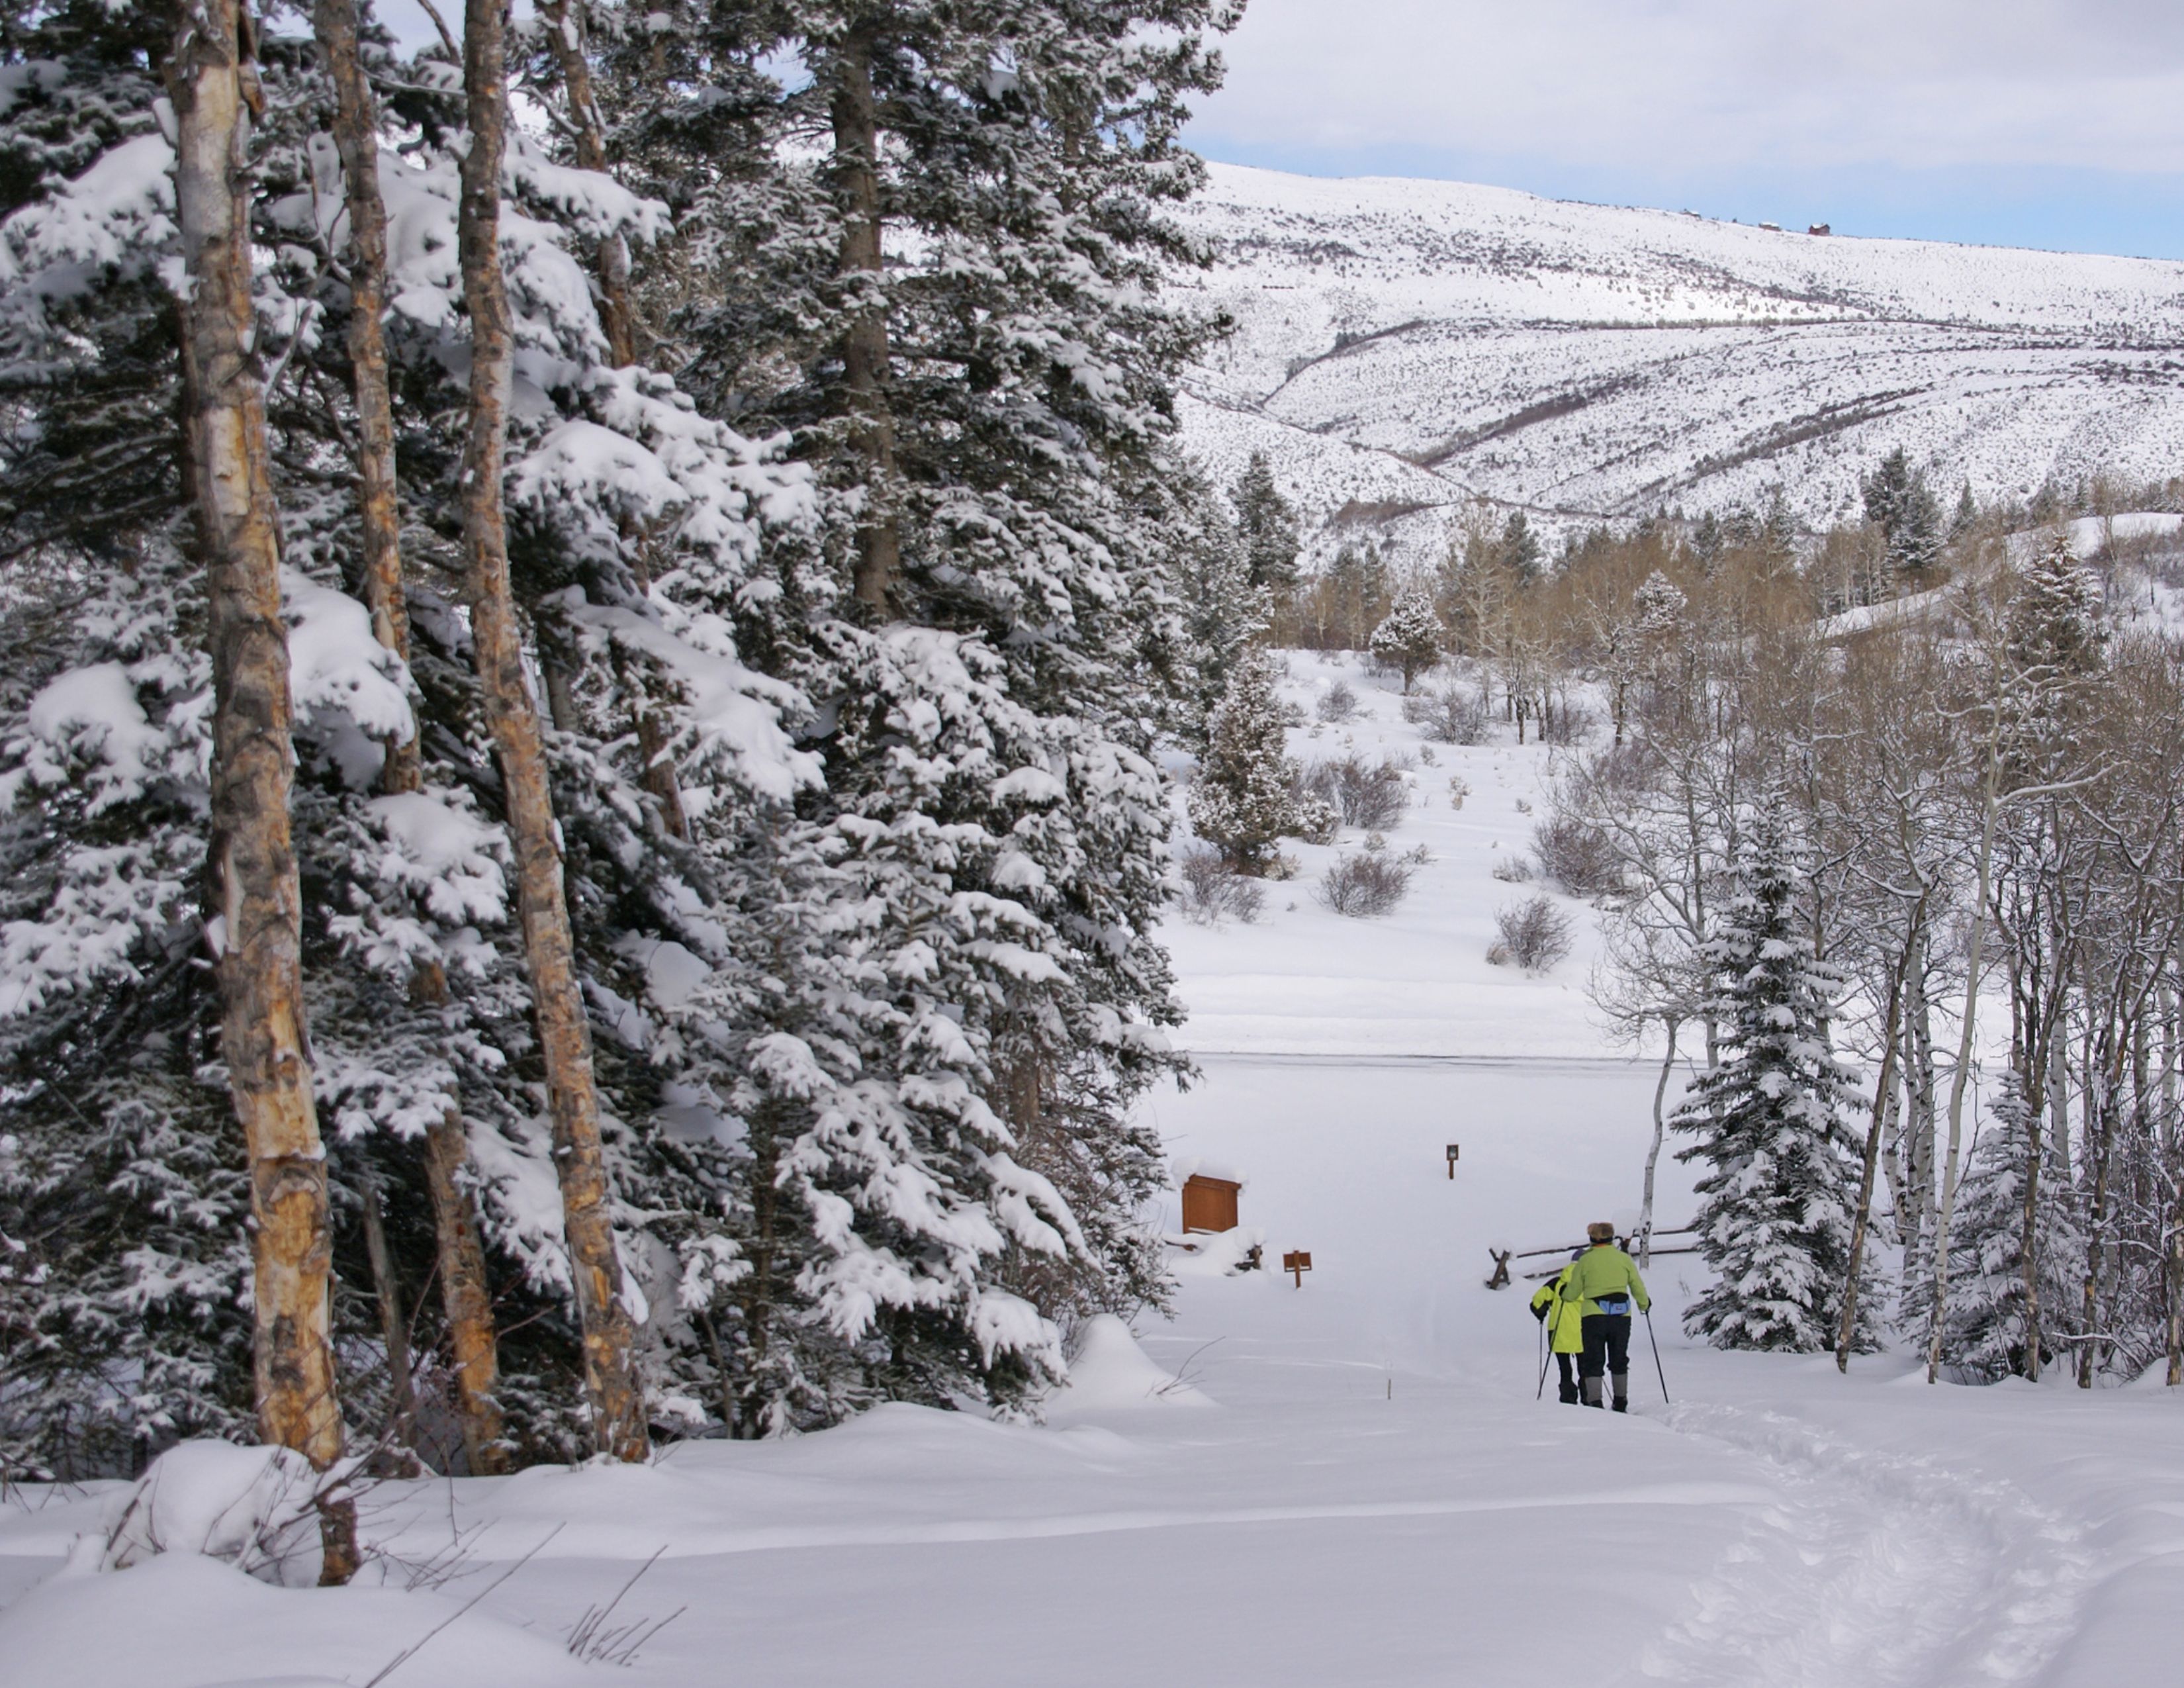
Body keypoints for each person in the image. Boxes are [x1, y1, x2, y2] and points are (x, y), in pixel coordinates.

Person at [1563, 1221, 1650, 1412]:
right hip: (1622, 1316)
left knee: (1593, 1360)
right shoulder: (1624, 1259)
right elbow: (1637, 1285)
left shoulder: (1586, 1261)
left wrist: (1564, 1294)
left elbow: (1572, 1293)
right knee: (1619, 1358)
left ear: (1592, 1239)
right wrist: (1644, 1304)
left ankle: (1595, 1403)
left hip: (1594, 1316)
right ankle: (1621, 1401)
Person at [1529, 1250, 1587, 1404]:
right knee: (1585, 1368)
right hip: (1583, 1331)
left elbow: (1537, 1302)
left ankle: (1568, 1399)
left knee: (1565, 1369)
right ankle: (1588, 1400)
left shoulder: (1556, 1282)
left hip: (1558, 1330)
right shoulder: (1590, 1282)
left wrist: (1542, 1313)